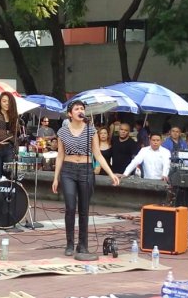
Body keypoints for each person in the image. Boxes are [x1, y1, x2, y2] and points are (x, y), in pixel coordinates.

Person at [52, 100, 119, 260]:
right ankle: (69, 243)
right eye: (77, 109)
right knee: (70, 206)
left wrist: (111, 174)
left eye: (82, 108)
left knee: (84, 209)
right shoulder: (62, 131)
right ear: (70, 114)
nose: (80, 111)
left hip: (86, 169)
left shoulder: (91, 130)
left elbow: (97, 154)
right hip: (68, 169)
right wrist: (55, 178)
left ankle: (83, 244)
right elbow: (60, 155)